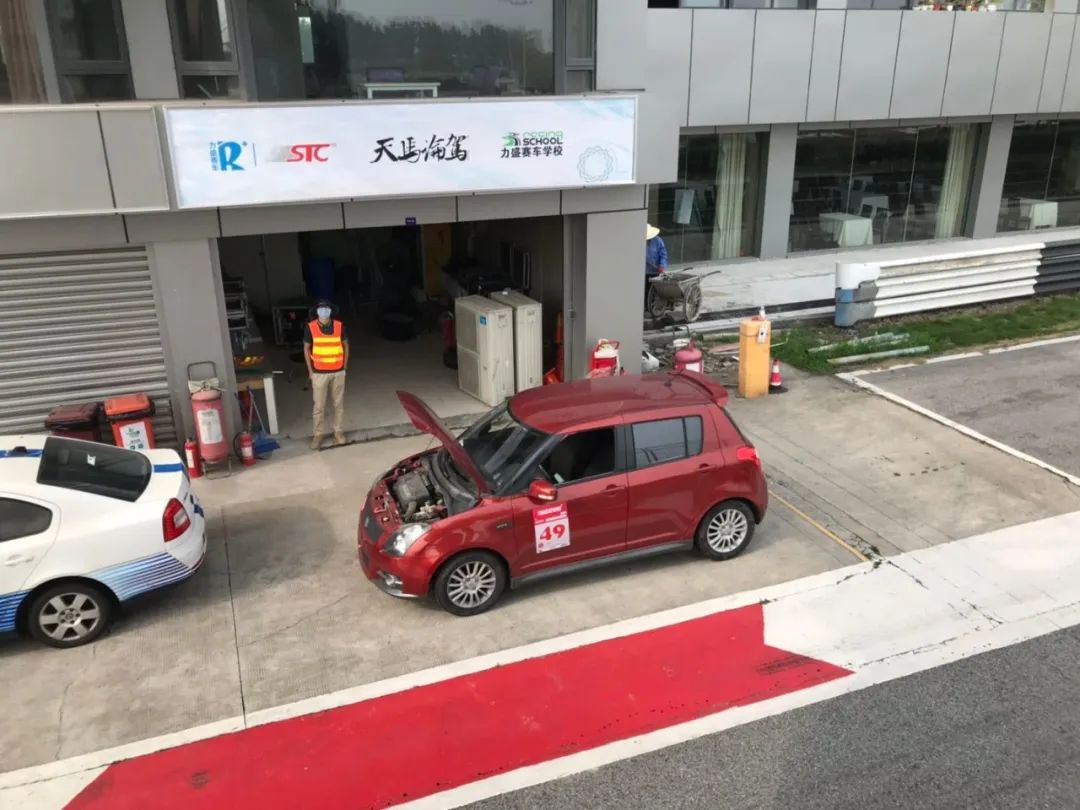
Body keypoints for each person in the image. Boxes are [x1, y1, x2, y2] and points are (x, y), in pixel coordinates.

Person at [303, 300, 349, 450]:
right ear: (317, 311)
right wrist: (310, 371)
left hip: (338, 372)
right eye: (321, 308)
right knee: (319, 407)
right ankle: (318, 435)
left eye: (326, 308)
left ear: (331, 310)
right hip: (319, 373)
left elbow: (346, 346)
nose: (324, 310)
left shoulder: (339, 326)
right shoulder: (310, 327)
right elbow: (306, 348)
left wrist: (344, 367)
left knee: (338, 405)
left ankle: (338, 433)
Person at [645, 223, 668, 311]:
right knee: (645, 289)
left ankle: (652, 306)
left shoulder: (658, 241)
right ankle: (645, 306)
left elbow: (663, 255)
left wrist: (662, 266)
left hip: (655, 271)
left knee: (653, 290)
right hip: (643, 271)